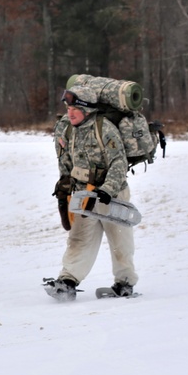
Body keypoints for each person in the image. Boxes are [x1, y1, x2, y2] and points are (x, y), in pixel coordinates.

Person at [46, 84, 136, 301]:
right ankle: (68, 280)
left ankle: (124, 283)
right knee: (79, 238)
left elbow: (118, 162)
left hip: (111, 194)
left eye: (74, 109)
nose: (70, 113)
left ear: (87, 109)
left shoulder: (104, 128)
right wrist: (64, 189)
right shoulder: (67, 128)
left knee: (120, 241)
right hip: (83, 195)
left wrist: (108, 189)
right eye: (68, 108)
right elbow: (65, 161)